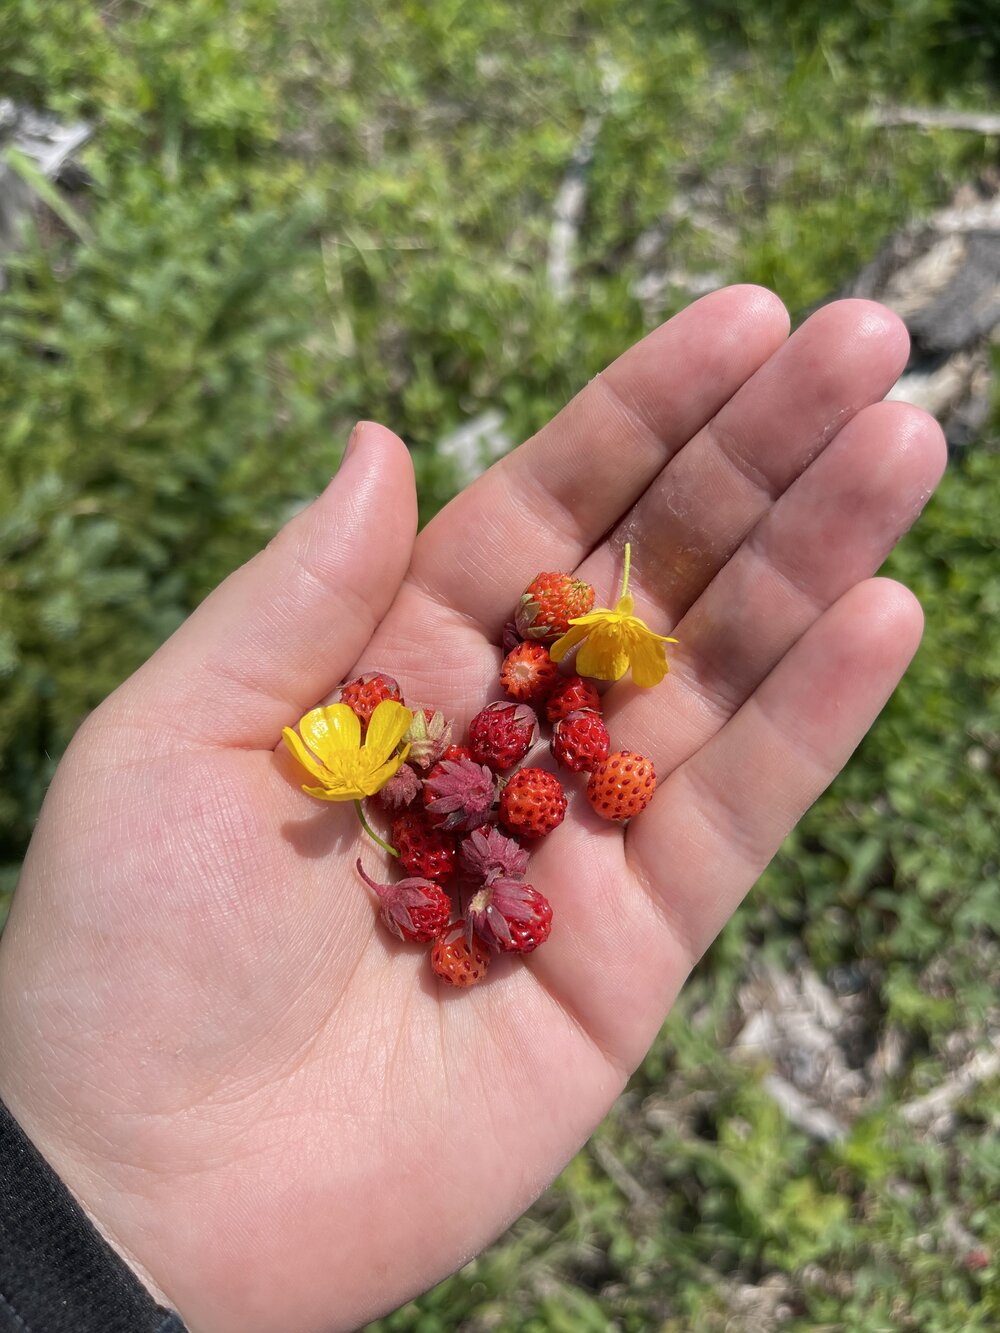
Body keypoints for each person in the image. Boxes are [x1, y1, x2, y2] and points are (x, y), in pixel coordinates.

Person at [0, 286, 945, 1333]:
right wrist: (84, 1180)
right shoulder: (466, 792)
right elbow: (480, 799)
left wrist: (72, 1214)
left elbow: (512, 788)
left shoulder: (530, 746)